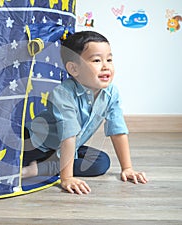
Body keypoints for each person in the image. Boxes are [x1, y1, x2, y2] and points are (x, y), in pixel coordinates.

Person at [22, 30, 148, 195]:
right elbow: (68, 136)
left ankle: (43, 168)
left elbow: (118, 130)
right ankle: (41, 168)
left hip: (68, 147)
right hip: (38, 142)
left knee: (101, 162)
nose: (106, 66)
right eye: (97, 60)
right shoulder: (63, 93)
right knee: (19, 155)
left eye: (109, 59)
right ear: (74, 69)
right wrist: (66, 178)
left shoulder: (111, 93)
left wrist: (128, 168)